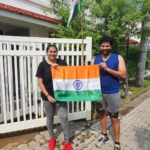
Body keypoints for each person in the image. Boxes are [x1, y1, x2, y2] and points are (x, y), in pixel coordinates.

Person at [36, 44, 74, 150]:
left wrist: (59, 69)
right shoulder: (42, 65)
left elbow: (68, 77)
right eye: (50, 51)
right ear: (47, 52)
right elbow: (40, 82)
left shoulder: (62, 63)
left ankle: (67, 142)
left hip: (61, 96)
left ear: (57, 53)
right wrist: (48, 96)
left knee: (64, 117)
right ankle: (52, 138)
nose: (52, 53)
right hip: (47, 97)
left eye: (54, 51)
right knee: (50, 117)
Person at [94, 36, 127, 150]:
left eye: (107, 46)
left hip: (113, 93)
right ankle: (104, 135)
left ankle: (117, 142)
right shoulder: (96, 59)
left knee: (114, 117)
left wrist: (107, 69)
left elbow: (123, 75)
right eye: (103, 46)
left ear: (111, 46)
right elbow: (90, 76)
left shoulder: (118, 58)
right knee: (102, 114)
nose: (105, 48)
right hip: (99, 93)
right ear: (100, 47)